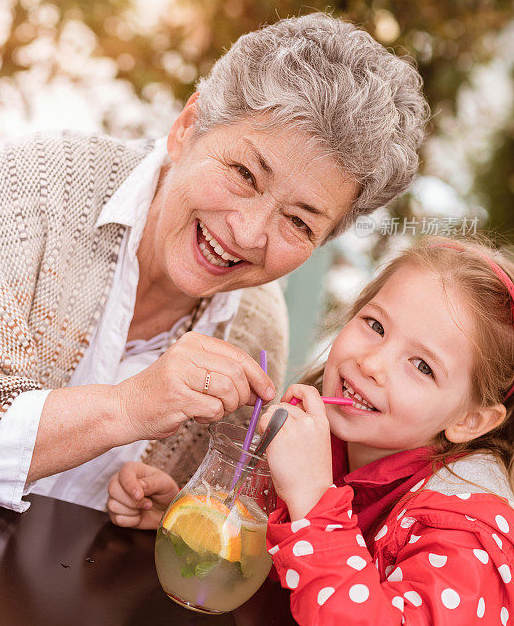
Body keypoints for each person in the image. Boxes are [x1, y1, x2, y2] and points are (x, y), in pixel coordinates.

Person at [0, 13, 428, 516]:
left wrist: (166, 510)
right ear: (187, 127)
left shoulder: (258, 334)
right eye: (244, 173)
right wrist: (129, 407)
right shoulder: (37, 188)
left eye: (299, 223)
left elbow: (200, 517)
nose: (248, 232)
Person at [110, 237, 514, 623]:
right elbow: (285, 570)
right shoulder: (329, 441)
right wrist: (205, 526)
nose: (372, 363)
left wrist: (314, 502)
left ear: (469, 421)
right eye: (375, 325)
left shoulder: (467, 532)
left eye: (422, 366)